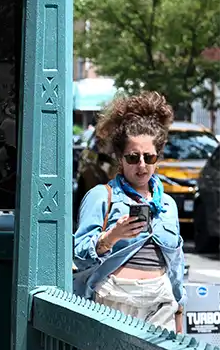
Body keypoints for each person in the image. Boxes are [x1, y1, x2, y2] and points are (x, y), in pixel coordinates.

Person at [74, 92, 186, 333]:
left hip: (160, 301)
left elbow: (176, 263)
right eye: (133, 157)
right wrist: (111, 237)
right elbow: (78, 255)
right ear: (120, 158)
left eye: (149, 157)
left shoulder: (167, 204)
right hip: (114, 301)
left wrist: (179, 307)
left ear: (158, 157)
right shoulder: (101, 197)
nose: (142, 165)